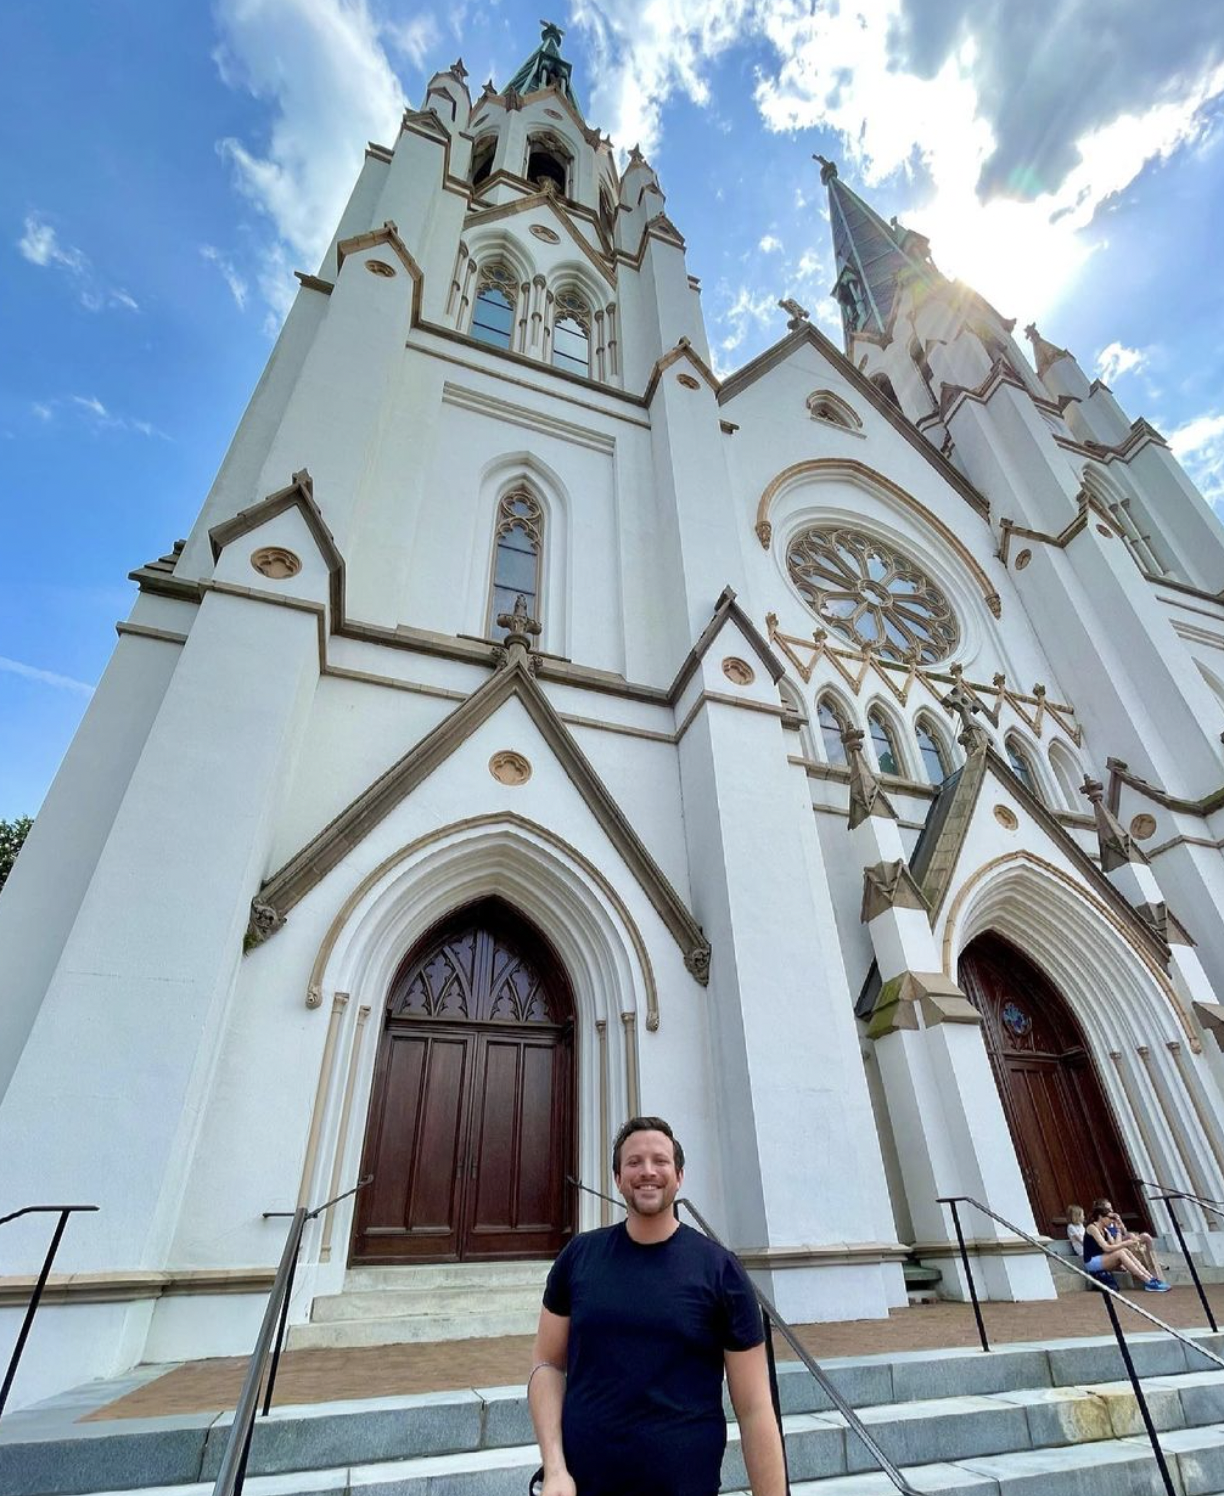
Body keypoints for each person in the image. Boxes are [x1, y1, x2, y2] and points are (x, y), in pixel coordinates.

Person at [528, 1115, 787, 1496]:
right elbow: (547, 1363)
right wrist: (554, 1469)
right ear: (618, 1178)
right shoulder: (579, 1257)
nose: (647, 1171)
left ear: (679, 1177)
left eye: (660, 1161)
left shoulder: (721, 1270)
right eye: (634, 1162)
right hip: (584, 1486)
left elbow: (754, 1409)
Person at [1084, 1200, 1169, 1290]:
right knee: (1121, 1252)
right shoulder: (1092, 1228)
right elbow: (1107, 1248)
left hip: (1103, 1258)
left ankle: (1150, 1278)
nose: (1112, 1221)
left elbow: (1116, 1245)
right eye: (1110, 1218)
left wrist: (1118, 1230)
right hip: (1091, 1261)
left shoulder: (1105, 1230)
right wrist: (1126, 1243)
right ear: (1101, 1217)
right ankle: (1148, 1281)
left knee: (1124, 1250)